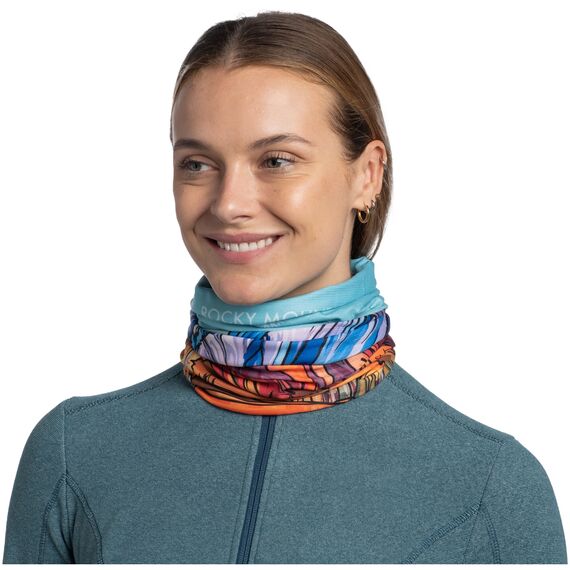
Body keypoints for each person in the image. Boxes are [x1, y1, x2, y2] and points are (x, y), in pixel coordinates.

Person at [2, 10, 566, 564]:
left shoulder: (488, 490)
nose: (229, 204)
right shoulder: (74, 455)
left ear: (366, 175)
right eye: (197, 164)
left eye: (276, 160)